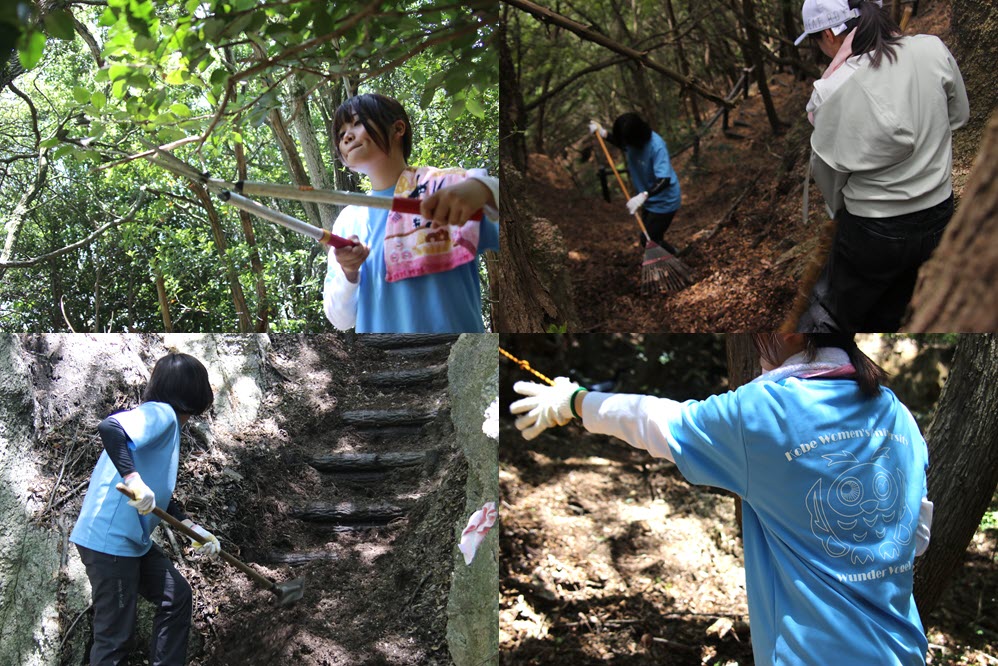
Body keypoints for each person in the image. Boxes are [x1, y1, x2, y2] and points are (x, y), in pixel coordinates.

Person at [511, 333, 933, 665]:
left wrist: (574, 402)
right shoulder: (898, 414)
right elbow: (916, 536)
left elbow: (657, 421)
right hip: (904, 651)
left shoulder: (766, 411)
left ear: (789, 330)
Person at [794, 0, 969, 332]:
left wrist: (840, 211)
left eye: (817, 42)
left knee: (831, 317)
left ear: (829, 33)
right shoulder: (931, 49)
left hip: (873, 229)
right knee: (899, 302)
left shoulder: (830, 92)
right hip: (939, 216)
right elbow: (958, 115)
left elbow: (830, 176)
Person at [70, 353, 220, 666]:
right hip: (110, 542)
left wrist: (193, 528)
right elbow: (111, 427)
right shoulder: (162, 414)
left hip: (131, 543)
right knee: (114, 640)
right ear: (195, 392)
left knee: (176, 596)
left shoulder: (167, 426)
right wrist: (133, 479)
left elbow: (160, 494)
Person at [323, 93, 500, 333]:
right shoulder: (348, 220)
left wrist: (485, 189)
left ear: (398, 128)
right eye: (341, 133)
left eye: (356, 123)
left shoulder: (448, 187)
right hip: (384, 359)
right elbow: (340, 320)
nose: (347, 136)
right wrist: (349, 271)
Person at [589, 112, 682, 254]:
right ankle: (674, 255)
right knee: (653, 237)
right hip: (649, 201)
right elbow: (621, 143)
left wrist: (643, 196)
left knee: (649, 240)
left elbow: (664, 179)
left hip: (665, 201)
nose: (625, 145)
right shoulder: (631, 141)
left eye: (626, 142)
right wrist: (603, 133)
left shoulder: (656, 146)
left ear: (636, 137)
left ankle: (673, 260)